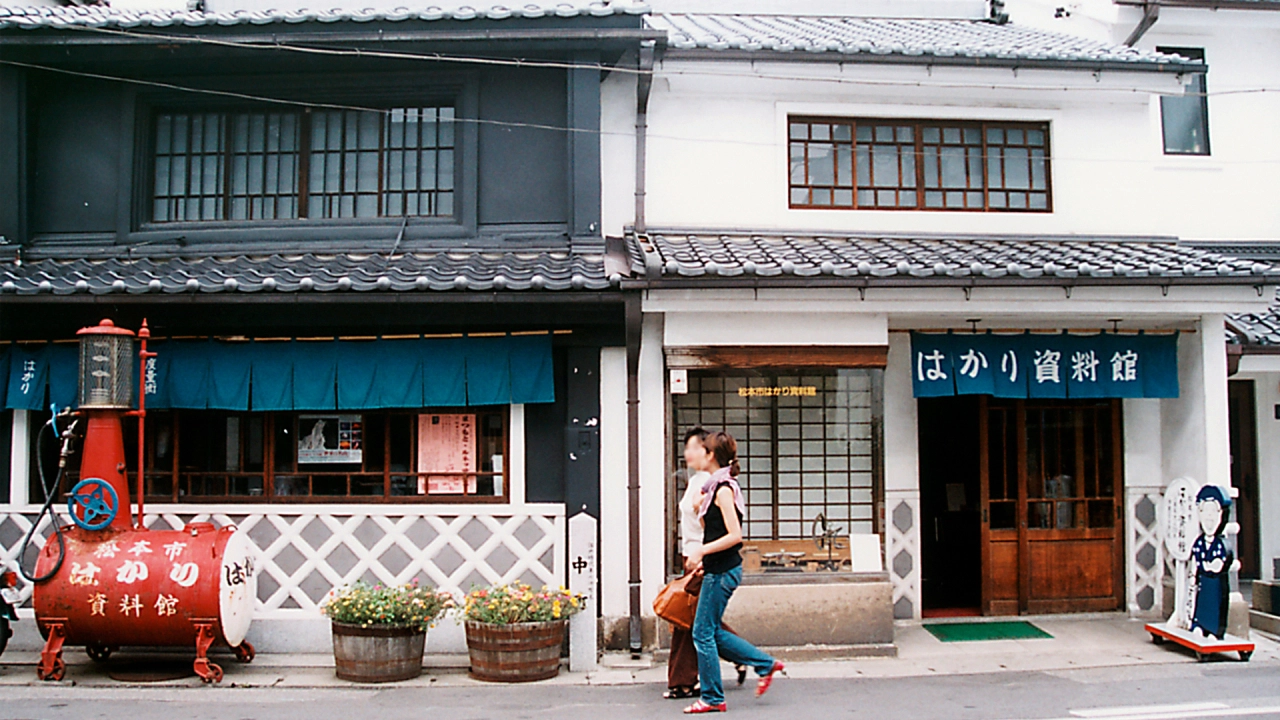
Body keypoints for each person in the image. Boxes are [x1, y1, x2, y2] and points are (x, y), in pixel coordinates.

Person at [683, 431, 784, 714]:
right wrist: (706, 557)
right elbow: (717, 532)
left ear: (710, 455)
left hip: (723, 572)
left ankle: (713, 697)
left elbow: (735, 536)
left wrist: (701, 552)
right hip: (718, 569)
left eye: (701, 449)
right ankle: (765, 664)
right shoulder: (715, 487)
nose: (695, 454)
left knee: (702, 634)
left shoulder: (724, 489)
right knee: (710, 632)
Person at [666, 428, 745, 700]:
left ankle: (691, 684)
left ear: (708, 453)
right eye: (686, 447)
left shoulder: (710, 484)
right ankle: (741, 658)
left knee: (691, 623)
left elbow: (721, 530)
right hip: (694, 556)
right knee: (696, 622)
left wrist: (702, 555)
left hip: (703, 558)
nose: (688, 452)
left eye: (694, 447)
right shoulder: (699, 481)